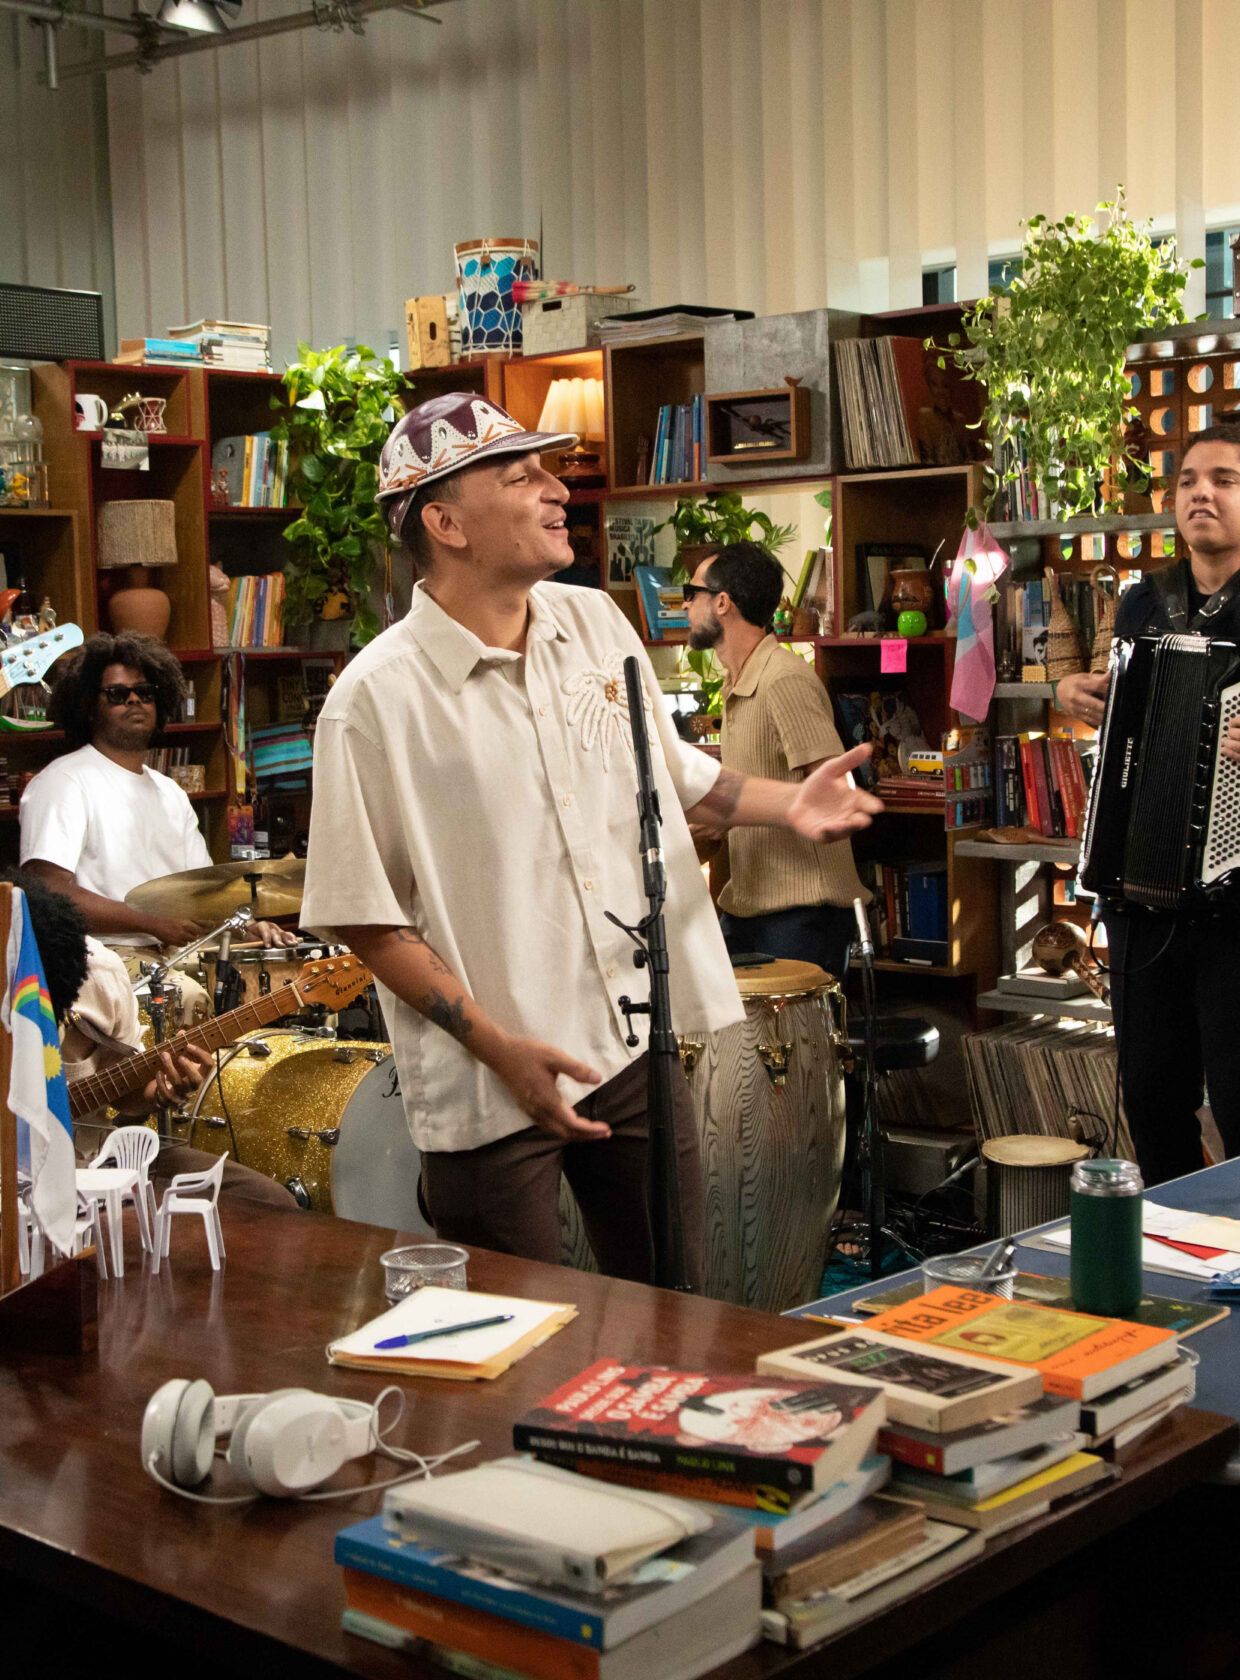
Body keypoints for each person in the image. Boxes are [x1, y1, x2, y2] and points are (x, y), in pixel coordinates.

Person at [301, 392, 880, 1280]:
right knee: (515, 1348)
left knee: (673, 1305)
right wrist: (501, 1050)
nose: (555, 490)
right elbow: (364, 918)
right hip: (489, 1083)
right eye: (521, 475)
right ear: (445, 520)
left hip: (627, 1046)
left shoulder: (595, 624)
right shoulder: (373, 703)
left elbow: (672, 773)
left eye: (549, 470)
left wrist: (788, 805)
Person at [1056, 422, 1240, 1186]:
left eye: (1224, 479)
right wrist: (1067, 690)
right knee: (1153, 1102)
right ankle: (1175, 1273)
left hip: (1236, 910)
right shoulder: (1143, 603)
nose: (1202, 493)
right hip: (1142, 901)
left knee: (1238, 1102)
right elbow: (1117, 711)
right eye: (1189, 480)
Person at [9, 867, 299, 1212]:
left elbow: (126, 1098)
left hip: (95, 1163)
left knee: (269, 1202)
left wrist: (165, 1090)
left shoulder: (96, 971)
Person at [19, 632, 294, 954]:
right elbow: (48, 891)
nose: (134, 700)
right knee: (194, 997)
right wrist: (150, 922)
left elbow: (203, 893)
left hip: (175, 951)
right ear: (89, 705)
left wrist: (247, 924)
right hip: (102, 957)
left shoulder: (170, 792)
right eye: (117, 694)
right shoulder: (64, 781)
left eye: (145, 692)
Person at [685, 540, 869, 978]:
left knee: (797, 1049)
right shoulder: (738, 684)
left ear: (723, 603)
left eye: (691, 593)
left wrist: (732, 817)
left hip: (802, 914)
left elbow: (838, 797)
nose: (685, 605)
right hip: (748, 907)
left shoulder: (783, 680)